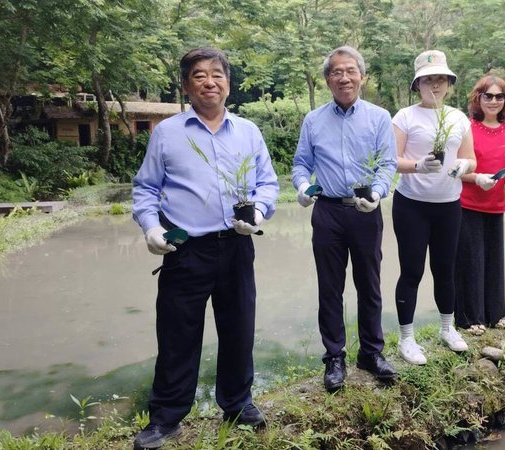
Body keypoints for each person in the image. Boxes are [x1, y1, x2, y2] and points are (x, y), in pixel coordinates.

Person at [131, 48, 279, 449]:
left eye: (217, 74)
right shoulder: (168, 133)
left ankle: (237, 403)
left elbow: (267, 183)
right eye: (199, 75)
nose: (209, 82)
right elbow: (145, 189)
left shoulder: (248, 131)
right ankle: (166, 417)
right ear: (185, 86)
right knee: (178, 333)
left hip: (236, 245)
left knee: (238, 328)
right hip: (185, 250)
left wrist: (261, 211)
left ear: (228, 84)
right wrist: (150, 228)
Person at [292, 45, 398, 392]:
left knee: (369, 283)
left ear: (362, 77)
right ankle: (334, 356)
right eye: (336, 72)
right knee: (330, 287)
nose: (344, 77)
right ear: (327, 80)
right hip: (327, 212)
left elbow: (387, 163)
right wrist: (304, 186)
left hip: (365, 211)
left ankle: (371, 352)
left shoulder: (379, 117)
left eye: (350, 70)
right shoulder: (313, 120)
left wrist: (378, 192)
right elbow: (301, 164)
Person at [390, 50, 477, 365]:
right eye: (428, 79)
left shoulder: (458, 118)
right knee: (411, 271)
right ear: (418, 84)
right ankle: (407, 338)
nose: (435, 85)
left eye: (440, 79)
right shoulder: (405, 117)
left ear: (449, 83)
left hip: (448, 206)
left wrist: (464, 165)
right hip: (411, 206)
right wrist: (417, 165)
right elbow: (392, 160)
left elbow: (471, 158)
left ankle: (447, 328)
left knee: (444, 270)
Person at [454, 74, 505, 336]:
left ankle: (496, 314)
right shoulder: (466, 128)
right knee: (471, 260)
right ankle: (470, 318)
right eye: (488, 96)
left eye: (499, 96)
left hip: (496, 203)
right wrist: (476, 178)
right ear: (478, 98)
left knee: (494, 260)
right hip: (468, 203)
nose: (493, 101)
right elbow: (455, 169)